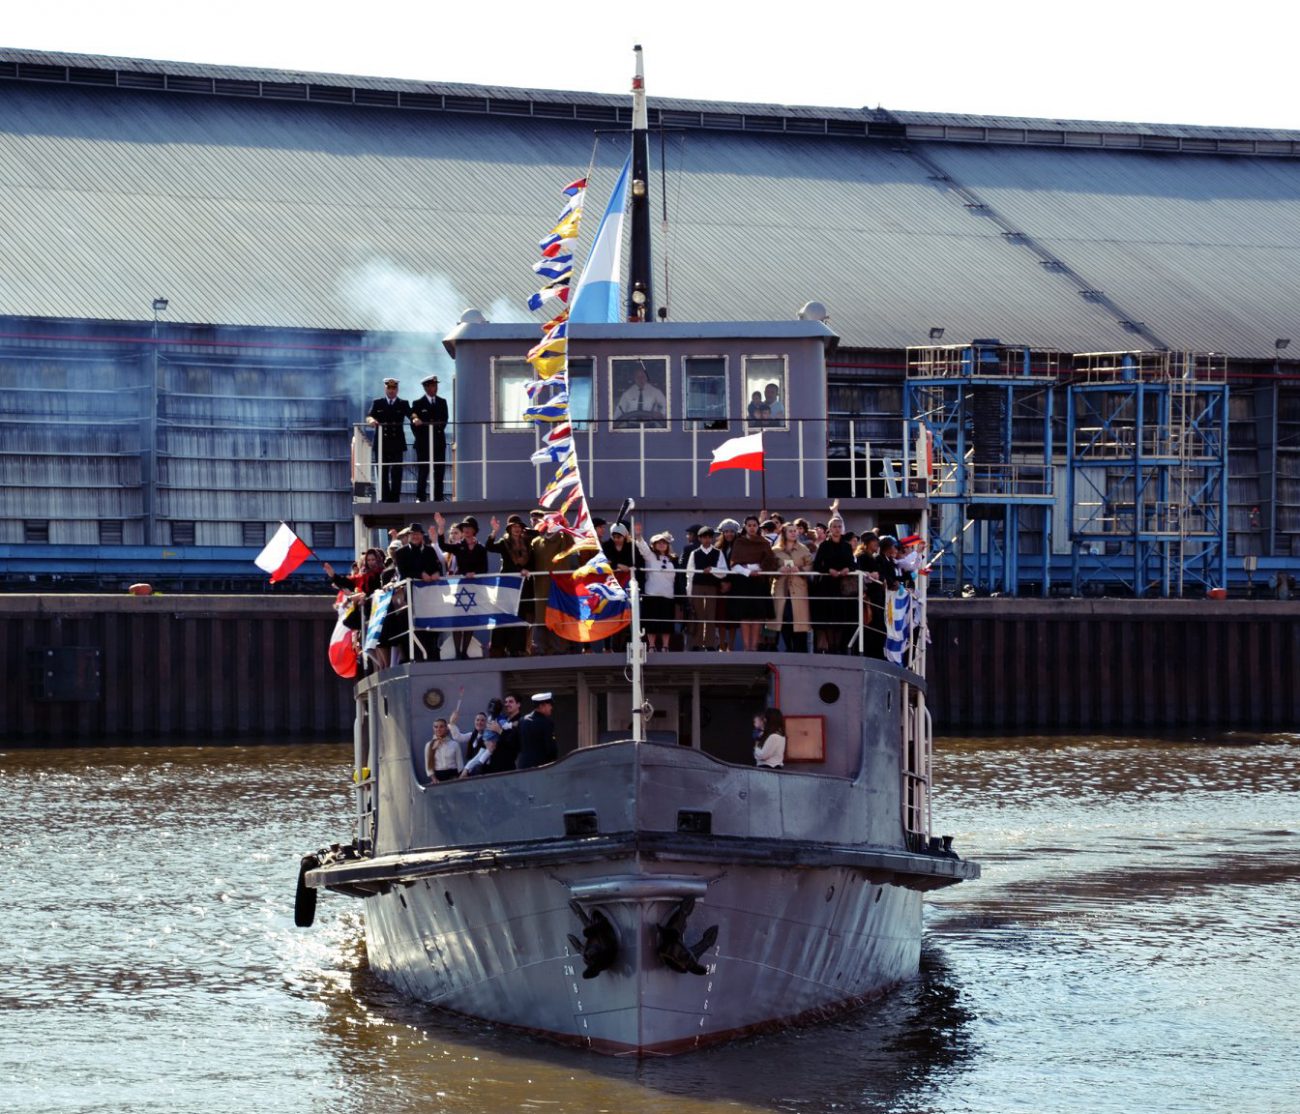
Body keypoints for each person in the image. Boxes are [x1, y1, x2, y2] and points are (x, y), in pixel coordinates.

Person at [727, 515, 779, 652]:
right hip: (743, 582)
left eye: (754, 525)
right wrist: (748, 571)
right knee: (745, 616)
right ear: (745, 527)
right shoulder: (739, 542)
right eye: (749, 525)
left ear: (758, 527)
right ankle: (746, 647)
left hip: (759, 583)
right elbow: (734, 565)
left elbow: (770, 561)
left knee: (757, 616)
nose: (752, 528)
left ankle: (754, 647)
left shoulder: (764, 542)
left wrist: (759, 569)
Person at [486, 514, 532, 657]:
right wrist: (494, 531)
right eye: (514, 526)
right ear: (509, 529)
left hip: (521, 584)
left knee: (519, 614)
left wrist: (526, 569)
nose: (517, 529)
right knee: (504, 613)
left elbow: (531, 560)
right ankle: (499, 648)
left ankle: (516, 648)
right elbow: (489, 547)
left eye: (519, 526)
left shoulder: (527, 543)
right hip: (507, 584)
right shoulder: (504, 543)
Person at [813, 514, 857, 654]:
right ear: (830, 529)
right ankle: (830, 647)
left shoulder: (846, 546)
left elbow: (853, 564)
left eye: (839, 526)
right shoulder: (824, 546)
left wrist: (847, 569)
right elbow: (817, 565)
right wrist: (828, 570)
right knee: (828, 618)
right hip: (827, 585)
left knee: (840, 618)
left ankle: (837, 648)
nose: (837, 529)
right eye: (834, 527)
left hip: (842, 586)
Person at [445, 516, 488, 660]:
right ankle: (457, 653)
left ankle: (464, 652)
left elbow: (484, 568)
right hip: (460, 587)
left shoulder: (481, 548)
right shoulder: (459, 546)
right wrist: (440, 529)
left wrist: (474, 573)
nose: (466, 530)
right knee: (457, 620)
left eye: (469, 527)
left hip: (475, 587)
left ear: (474, 530)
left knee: (470, 620)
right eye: (464, 527)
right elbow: (443, 546)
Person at [769, 522, 813, 652]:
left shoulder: (803, 549)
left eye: (795, 530)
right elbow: (769, 567)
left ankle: (800, 651)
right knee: (783, 619)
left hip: (798, 589)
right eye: (791, 531)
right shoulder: (775, 550)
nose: (794, 533)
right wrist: (778, 570)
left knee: (799, 621)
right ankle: (787, 648)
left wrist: (800, 569)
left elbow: (811, 565)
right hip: (781, 589)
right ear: (784, 533)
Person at [633, 525, 679, 651]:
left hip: (668, 595)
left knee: (667, 624)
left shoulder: (673, 559)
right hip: (651, 594)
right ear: (653, 545)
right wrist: (638, 536)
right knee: (651, 623)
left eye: (664, 542)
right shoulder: (650, 556)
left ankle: (665, 646)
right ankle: (652, 646)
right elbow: (642, 547)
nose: (662, 545)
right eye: (658, 543)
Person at [366, 377, 410, 502]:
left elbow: (411, 414)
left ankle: (395, 499)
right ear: (385, 389)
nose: (391, 391)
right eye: (389, 388)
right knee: (382, 472)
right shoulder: (378, 403)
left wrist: (415, 418)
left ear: (397, 389)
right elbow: (369, 416)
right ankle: (385, 499)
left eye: (394, 388)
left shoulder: (403, 403)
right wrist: (371, 420)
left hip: (397, 442)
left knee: (397, 472)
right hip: (382, 443)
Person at [684, 525, 728, 650]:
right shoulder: (694, 553)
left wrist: (712, 569)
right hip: (697, 586)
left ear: (712, 538)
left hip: (711, 587)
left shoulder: (718, 553)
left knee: (710, 615)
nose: (707, 540)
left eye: (709, 537)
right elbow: (690, 573)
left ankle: (710, 644)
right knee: (697, 614)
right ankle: (696, 643)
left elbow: (724, 572)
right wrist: (689, 592)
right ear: (699, 539)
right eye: (704, 537)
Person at [410, 373, 449, 502]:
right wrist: (423, 436)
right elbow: (413, 423)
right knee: (423, 471)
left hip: (438, 442)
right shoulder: (417, 404)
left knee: (439, 471)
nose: (435, 388)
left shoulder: (442, 402)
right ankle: (420, 498)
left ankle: (438, 498)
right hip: (423, 444)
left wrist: (433, 429)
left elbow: (444, 420)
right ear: (426, 387)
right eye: (432, 385)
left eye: (435, 385)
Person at [516, 692, 557, 770]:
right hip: (540, 767)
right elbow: (551, 748)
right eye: (550, 705)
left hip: (523, 766)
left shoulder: (522, 721)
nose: (551, 707)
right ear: (542, 706)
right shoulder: (546, 722)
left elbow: (517, 744)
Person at [424, 717, 464, 782]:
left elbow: (460, 764)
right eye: (436, 727)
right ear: (433, 728)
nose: (438, 729)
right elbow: (428, 766)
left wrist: (459, 779)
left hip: (453, 776)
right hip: (438, 777)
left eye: (441, 727)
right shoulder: (429, 745)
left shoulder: (454, 744)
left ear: (446, 728)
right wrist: (434, 779)